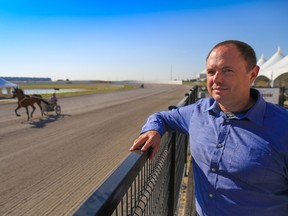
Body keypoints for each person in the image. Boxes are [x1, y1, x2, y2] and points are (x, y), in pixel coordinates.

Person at [129, 40, 288, 216]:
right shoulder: (198, 112)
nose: (216, 79)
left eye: (228, 71)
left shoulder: (282, 127)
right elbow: (161, 117)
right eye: (211, 72)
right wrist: (153, 130)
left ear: (252, 74)